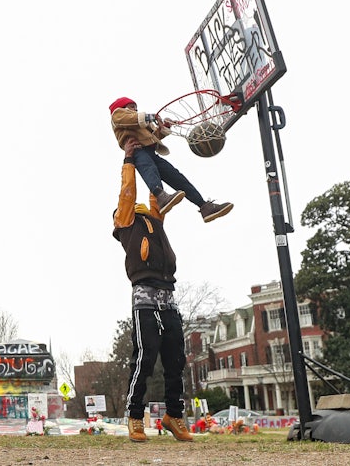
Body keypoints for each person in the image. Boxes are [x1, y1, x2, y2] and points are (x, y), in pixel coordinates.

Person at [113, 137, 194, 443]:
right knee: (145, 359)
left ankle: (174, 416)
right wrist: (129, 161)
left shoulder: (155, 219)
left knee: (176, 360)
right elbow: (128, 192)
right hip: (145, 297)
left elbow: (153, 187)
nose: (138, 206)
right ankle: (135, 417)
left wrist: (150, 146)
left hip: (169, 298)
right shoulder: (125, 222)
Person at [110, 96, 232, 223]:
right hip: (137, 151)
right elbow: (129, 119)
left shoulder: (138, 124)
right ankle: (160, 196)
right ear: (122, 107)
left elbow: (153, 137)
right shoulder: (118, 115)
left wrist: (165, 126)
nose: (135, 109)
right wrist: (150, 117)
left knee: (177, 177)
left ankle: (203, 206)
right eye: (131, 106)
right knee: (149, 170)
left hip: (150, 151)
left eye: (136, 106)